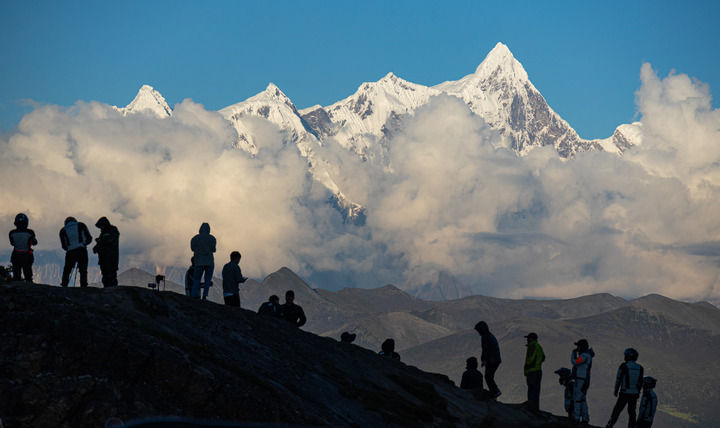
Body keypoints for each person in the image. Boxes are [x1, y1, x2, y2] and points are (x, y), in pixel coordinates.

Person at [606, 348, 644, 428]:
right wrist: (638, 392)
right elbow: (640, 382)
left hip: (624, 392)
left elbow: (618, 379)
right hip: (634, 393)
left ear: (628, 356)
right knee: (632, 412)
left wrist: (616, 390)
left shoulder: (624, 366)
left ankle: (610, 424)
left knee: (617, 410)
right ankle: (632, 427)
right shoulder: (640, 368)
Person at [59, 217, 92, 287]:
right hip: (81, 250)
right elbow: (89, 238)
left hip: (70, 252)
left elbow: (64, 246)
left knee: (67, 269)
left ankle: (64, 284)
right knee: (83, 269)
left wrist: (69, 248)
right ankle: (83, 284)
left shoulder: (62, 230)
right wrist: (83, 244)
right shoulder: (81, 225)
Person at [474, 321, 502, 398]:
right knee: (489, 376)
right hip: (495, 359)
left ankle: (495, 391)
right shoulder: (489, 335)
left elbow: (486, 349)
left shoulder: (485, 337)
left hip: (492, 360)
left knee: (488, 376)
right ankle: (494, 391)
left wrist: (484, 360)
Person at [571, 338, 595, 424]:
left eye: (578, 346)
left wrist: (573, 354)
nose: (577, 348)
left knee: (577, 398)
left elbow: (575, 362)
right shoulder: (587, 355)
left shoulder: (584, 356)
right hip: (584, 380)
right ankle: (585, 418)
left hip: (580, 379)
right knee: (582, 399)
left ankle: (576, 418)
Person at [190, 222, 216, 300]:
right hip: (209, 261)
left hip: (198, 261)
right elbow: (213, 249)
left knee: (196, 279)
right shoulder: (212, 238)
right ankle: (205, 296)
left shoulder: (195, 238)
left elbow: (192, 248)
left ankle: (194, 295)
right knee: (207, 279)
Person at [8, 213, 37, 282]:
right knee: (28, 274)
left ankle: (17, 287)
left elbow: (12, 243)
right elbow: (34, 243)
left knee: (16, 275)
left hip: (16, 255)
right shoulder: (30, 232)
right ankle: (29, 285)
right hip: (27, 255)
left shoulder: (11, 233)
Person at [92, 217, 119, 288]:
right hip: (103, 259)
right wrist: (96, 248)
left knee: (111, 276)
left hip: (111, 258)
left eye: (101, 226)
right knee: (105, 277)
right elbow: (101, 244)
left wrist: (100, 241)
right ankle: (107, 290)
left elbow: (110, 240)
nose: (100, 228)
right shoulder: (103, 233)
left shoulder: (113, 230)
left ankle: (113, 291)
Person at [524, 332, 545, 411]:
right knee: (536, 390)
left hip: (532, 371)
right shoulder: (539, 346)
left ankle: (531, 407)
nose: (527, 340)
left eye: (528, 338)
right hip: (538, 370)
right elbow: (543, 357)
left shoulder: (532, 346)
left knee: (531, 390)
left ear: (531, 339)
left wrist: (528, 365)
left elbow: (531, 358)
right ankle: (535, 407)